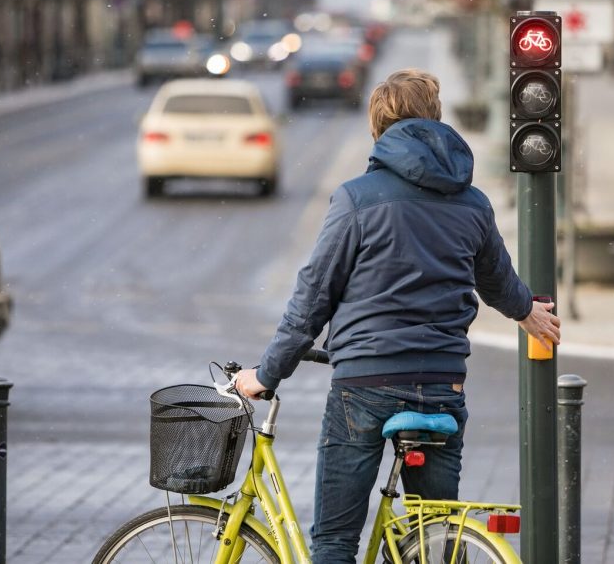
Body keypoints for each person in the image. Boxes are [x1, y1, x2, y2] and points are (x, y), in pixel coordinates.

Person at [234, 68, 561, 563]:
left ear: (378, 127)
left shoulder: (357, 199)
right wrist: (527, 313)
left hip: (366, 383)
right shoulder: (471, 202)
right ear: (435, 120)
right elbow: (495, 279)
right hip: (442, 384)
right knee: (435, 540)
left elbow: (312, 297)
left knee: (337, 541)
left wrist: (266, 374)